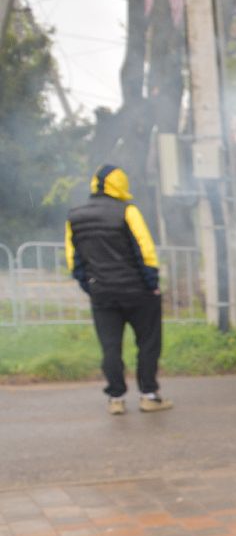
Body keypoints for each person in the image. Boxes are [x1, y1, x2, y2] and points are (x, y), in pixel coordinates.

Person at [65, 164, 172, 414]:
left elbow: (74, 260)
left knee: (110, 346)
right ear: (120, 184)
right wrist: (152, 284)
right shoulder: (128, 211)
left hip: (102, 293)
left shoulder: (75, 216)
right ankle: (148, 395)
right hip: (138, 293)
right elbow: (144, 249)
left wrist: (90, 287)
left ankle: (116, 398)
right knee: (148, 343)